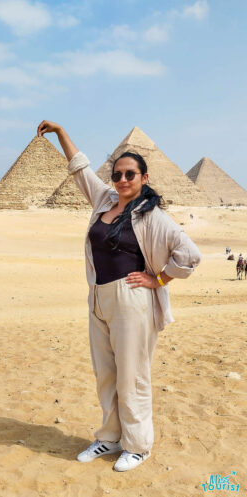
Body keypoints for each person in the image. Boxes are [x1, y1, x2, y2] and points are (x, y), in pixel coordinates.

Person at [36, 120, 202, 472]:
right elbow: (80, 168)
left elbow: (189, 254)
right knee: (106, 375)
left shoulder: (153, 217)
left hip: (131, 301)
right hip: (98, 298)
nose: (122, 180)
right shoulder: (104, 199)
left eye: (130, 174)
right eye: (117, 175)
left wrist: (158, 279)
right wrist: (62, 132)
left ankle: (138, 446)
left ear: (144, 178)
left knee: (132, 375)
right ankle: (110, 438)